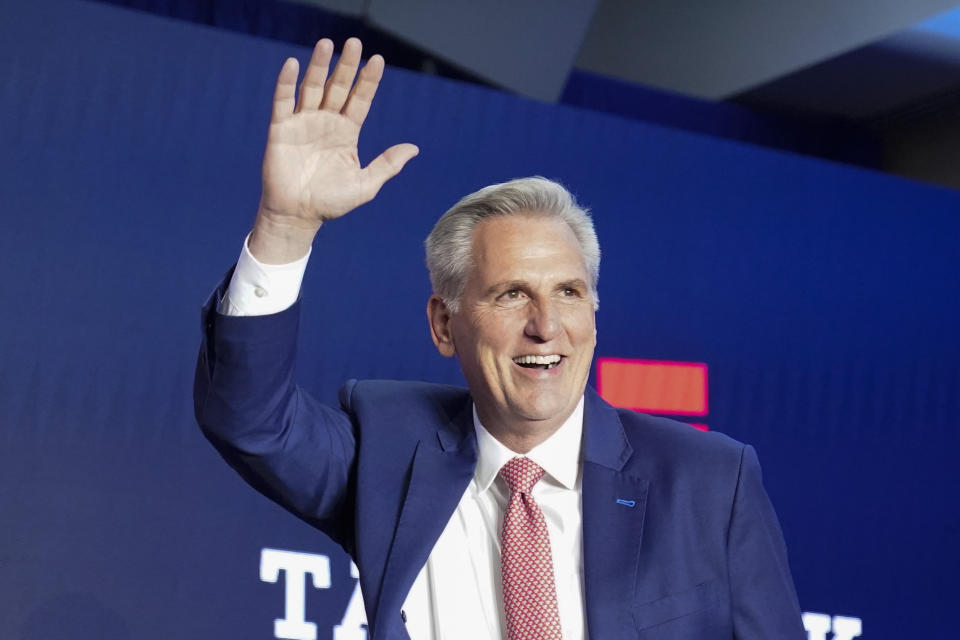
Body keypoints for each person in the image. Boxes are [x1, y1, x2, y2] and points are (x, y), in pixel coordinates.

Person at [195, 38, 806, 639]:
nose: (546, 325)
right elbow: (251, 420)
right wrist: (284, 226)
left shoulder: (708, 480)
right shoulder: (389, 456)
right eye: (513, 294)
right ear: (443, 324)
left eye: (568, 293)